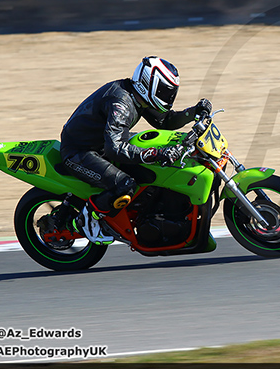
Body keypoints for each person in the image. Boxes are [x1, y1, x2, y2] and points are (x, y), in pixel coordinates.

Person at [60, 56, 212, 244]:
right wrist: (155, 154)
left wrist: (194, 112)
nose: (168, 96)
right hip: (80, 152)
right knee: (125, 184)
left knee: (148, 173)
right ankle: (86, 220)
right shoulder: (121, 103)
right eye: (164, 90)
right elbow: (115, 148)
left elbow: (165, 121)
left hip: (102, 145)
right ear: (150, 84)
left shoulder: (139, 97)